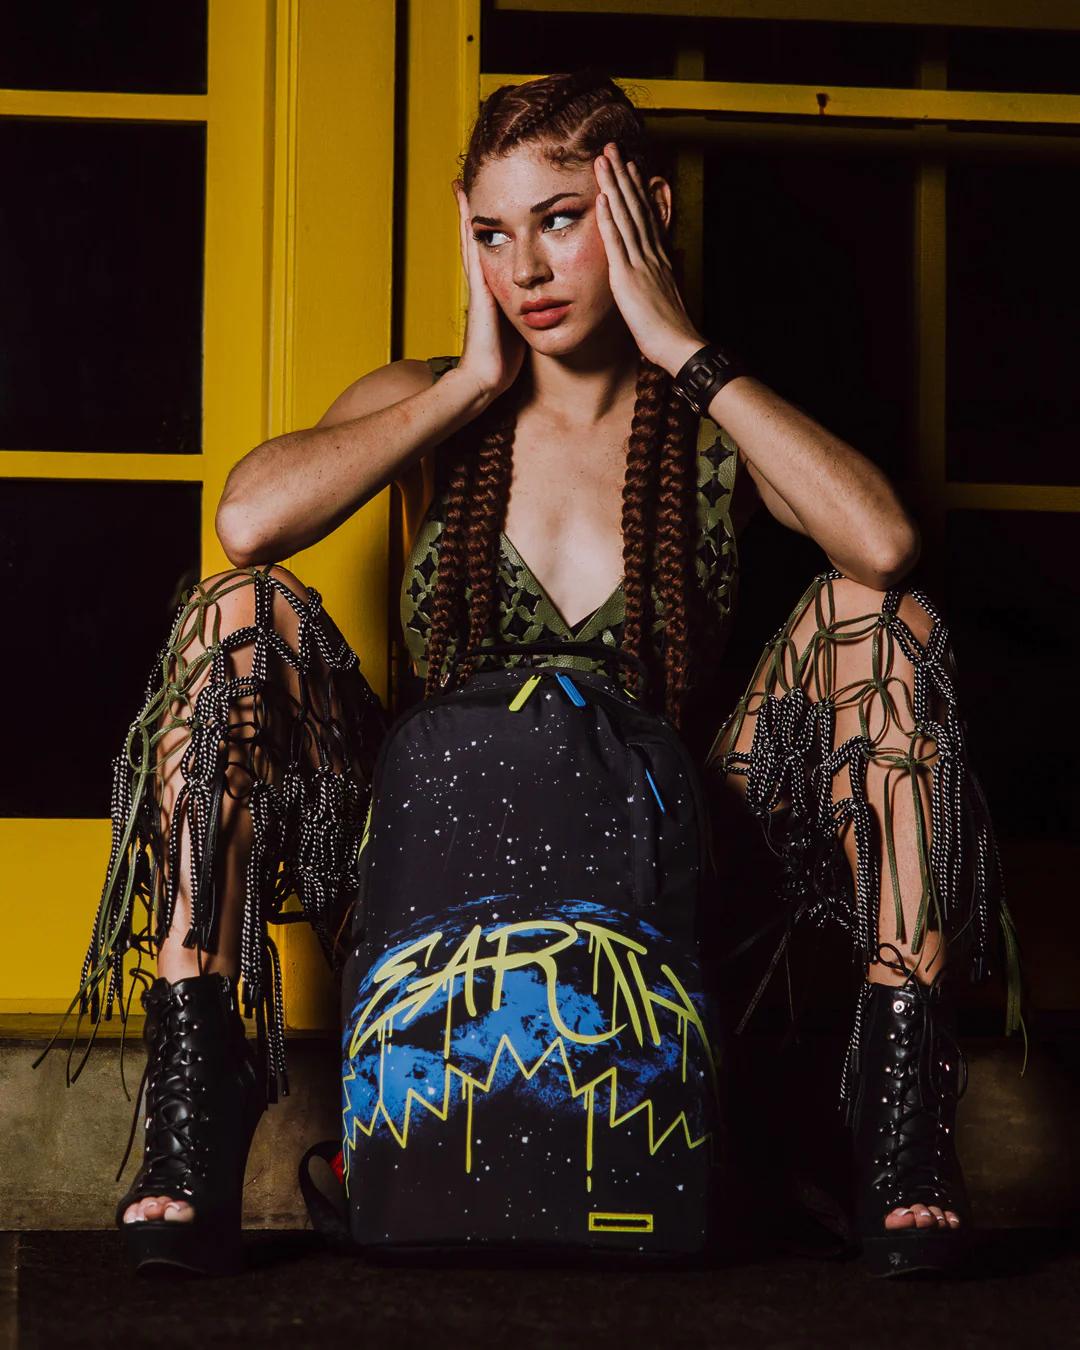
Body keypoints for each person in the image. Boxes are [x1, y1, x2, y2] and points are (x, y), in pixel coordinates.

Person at [37, 68, 1025, 1277]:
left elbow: (883, 546)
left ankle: (899, 1119)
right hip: (430, 862)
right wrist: (469, 382)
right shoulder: (427, 399)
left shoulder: (713, 414)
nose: (529, 268)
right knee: (238, 612)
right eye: (495, 234)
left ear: (648, 209)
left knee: (884, 620)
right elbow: (247, 522)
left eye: (561, 220)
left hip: (660, 863)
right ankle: (200, 1097)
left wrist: (683, 350)